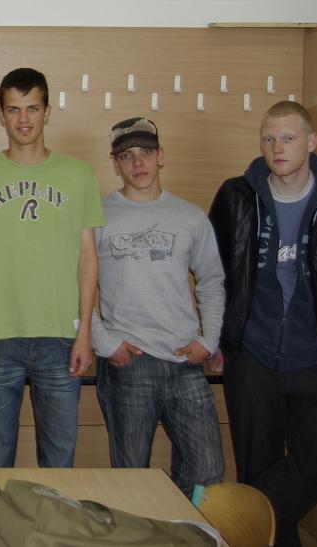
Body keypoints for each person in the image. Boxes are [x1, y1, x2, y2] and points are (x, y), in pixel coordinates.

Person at [208, 101, 317, 547]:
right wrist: (223, 339)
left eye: (287, 138)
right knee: (258, 466)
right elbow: (214, 273)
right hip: (253, 357)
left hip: (316, 361)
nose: (277, 148)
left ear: (311, 142)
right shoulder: (236, 196)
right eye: (268, 139)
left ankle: (228, 516)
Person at [0, 67, 103, 468]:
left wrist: (85, 333)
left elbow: (88, 259)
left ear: (47, 111)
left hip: (60, 338)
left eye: (32, 108)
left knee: (59, 464)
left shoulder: (79, 175)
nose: (23, 119)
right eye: (14, 109)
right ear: (1, 115)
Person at [92, 117, 225, 498]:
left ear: (161, 156)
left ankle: (179, 527)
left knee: (207, 471)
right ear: (115, 163)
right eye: (127, 156)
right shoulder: (97, 215)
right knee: (133, 476)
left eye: (146, 153)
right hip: (129, 362)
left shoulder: (190, 216)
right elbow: (74, 284)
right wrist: (105, 342)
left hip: (185, 361)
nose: (138, 163)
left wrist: (209, 340)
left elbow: (211, 280)